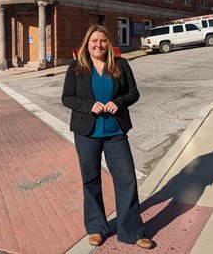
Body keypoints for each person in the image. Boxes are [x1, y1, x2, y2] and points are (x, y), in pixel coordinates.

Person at [61, 24, 153, 249]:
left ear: (108, 44)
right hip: (87, 133)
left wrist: (118, 102)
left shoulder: (120, 65)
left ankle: (131, 231)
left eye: (102, 41)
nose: (98, 45)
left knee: (127, 180)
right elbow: (67, 98)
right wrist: (88, 105)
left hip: (115, 132)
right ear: (87, 44)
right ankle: (96, 229)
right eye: (94, 41)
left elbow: (133, 93)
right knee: (91, 180)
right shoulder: (76, 67)